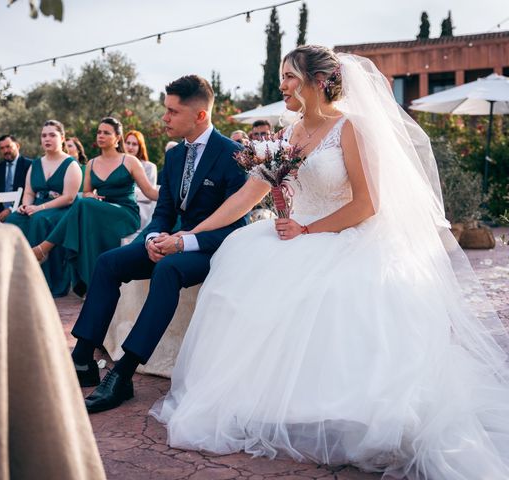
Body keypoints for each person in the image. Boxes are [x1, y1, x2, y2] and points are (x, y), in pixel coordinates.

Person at [150, 46, 509, 480]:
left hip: (345, 236)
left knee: (333, 295)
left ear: (317, 82)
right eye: (281, 77)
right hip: (291, 235)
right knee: (236, 275)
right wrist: (189, 235)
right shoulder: (289, 132)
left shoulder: (351, 129)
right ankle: (272, 405)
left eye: (288, 77)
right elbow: (247, 196)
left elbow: (367, 204)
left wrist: (308, 231)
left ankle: (343, 411)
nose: (281, 85)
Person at [69, 75, 247, 413]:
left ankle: (122, 373)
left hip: (213, 248)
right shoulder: (175, 156)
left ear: (200, 116)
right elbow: (164, 210)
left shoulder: (233, 155)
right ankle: (81, 359)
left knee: (167, 269)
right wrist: (153, 238)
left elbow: (236, 224)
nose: (164, 118)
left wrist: (185, 243)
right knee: (109, 262)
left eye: (172, 111)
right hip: (169, 239)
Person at [32, 117, 158, 297]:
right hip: (100, 213)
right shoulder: (91, 163)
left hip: (124, 214)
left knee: (83, 205)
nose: (101, 135)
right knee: (85, 209)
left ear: (117, 138)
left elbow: (149, 192)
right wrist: (92, 196)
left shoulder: (129, 161)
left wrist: (174, 194)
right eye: (99, 132)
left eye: (106, 132)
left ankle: (43, 248)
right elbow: (87, 192)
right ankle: (94, 285)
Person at [6, 119, 82, 297]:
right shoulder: (35, 164)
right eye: (43, 135)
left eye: (52, 135)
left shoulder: (71, 164)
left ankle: (46, 281)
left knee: (40, 220)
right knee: (13, 220)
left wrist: (40, 209)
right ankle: (17, 276)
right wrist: (26, 205)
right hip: (37, 207)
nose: (47, 139)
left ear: (62, 138)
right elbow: (29, 192)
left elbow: (69, 198)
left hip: (61, 210)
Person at [0, 135, 32, 222]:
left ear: (17, 146)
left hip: (21, 211)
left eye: (8, 146)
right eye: (2, 148)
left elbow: (30, 192)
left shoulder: (29, 165)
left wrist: (11, 209)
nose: (5, 151)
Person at [124, 129, 158, 227]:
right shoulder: (118, 165)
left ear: (140, 147)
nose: (130, 147)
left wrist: (125, 193)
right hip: (120, 204)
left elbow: (149, 194)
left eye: (134, 144)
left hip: (141, 207)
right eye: (128, 143)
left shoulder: (150, 167)